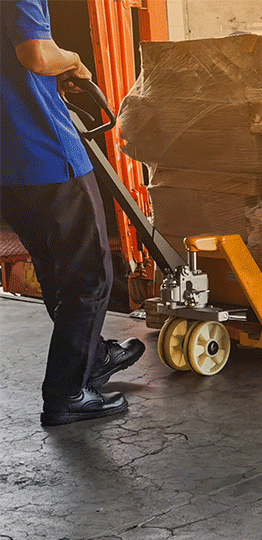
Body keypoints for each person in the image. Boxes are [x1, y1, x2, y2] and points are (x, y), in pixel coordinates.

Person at [1, 0, 146, 426]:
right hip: (45, 151)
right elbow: (36, 54)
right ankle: (68, 391)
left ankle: (92, 355)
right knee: (89, 274)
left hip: (8, 160)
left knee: (55, 270)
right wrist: (74, 60)